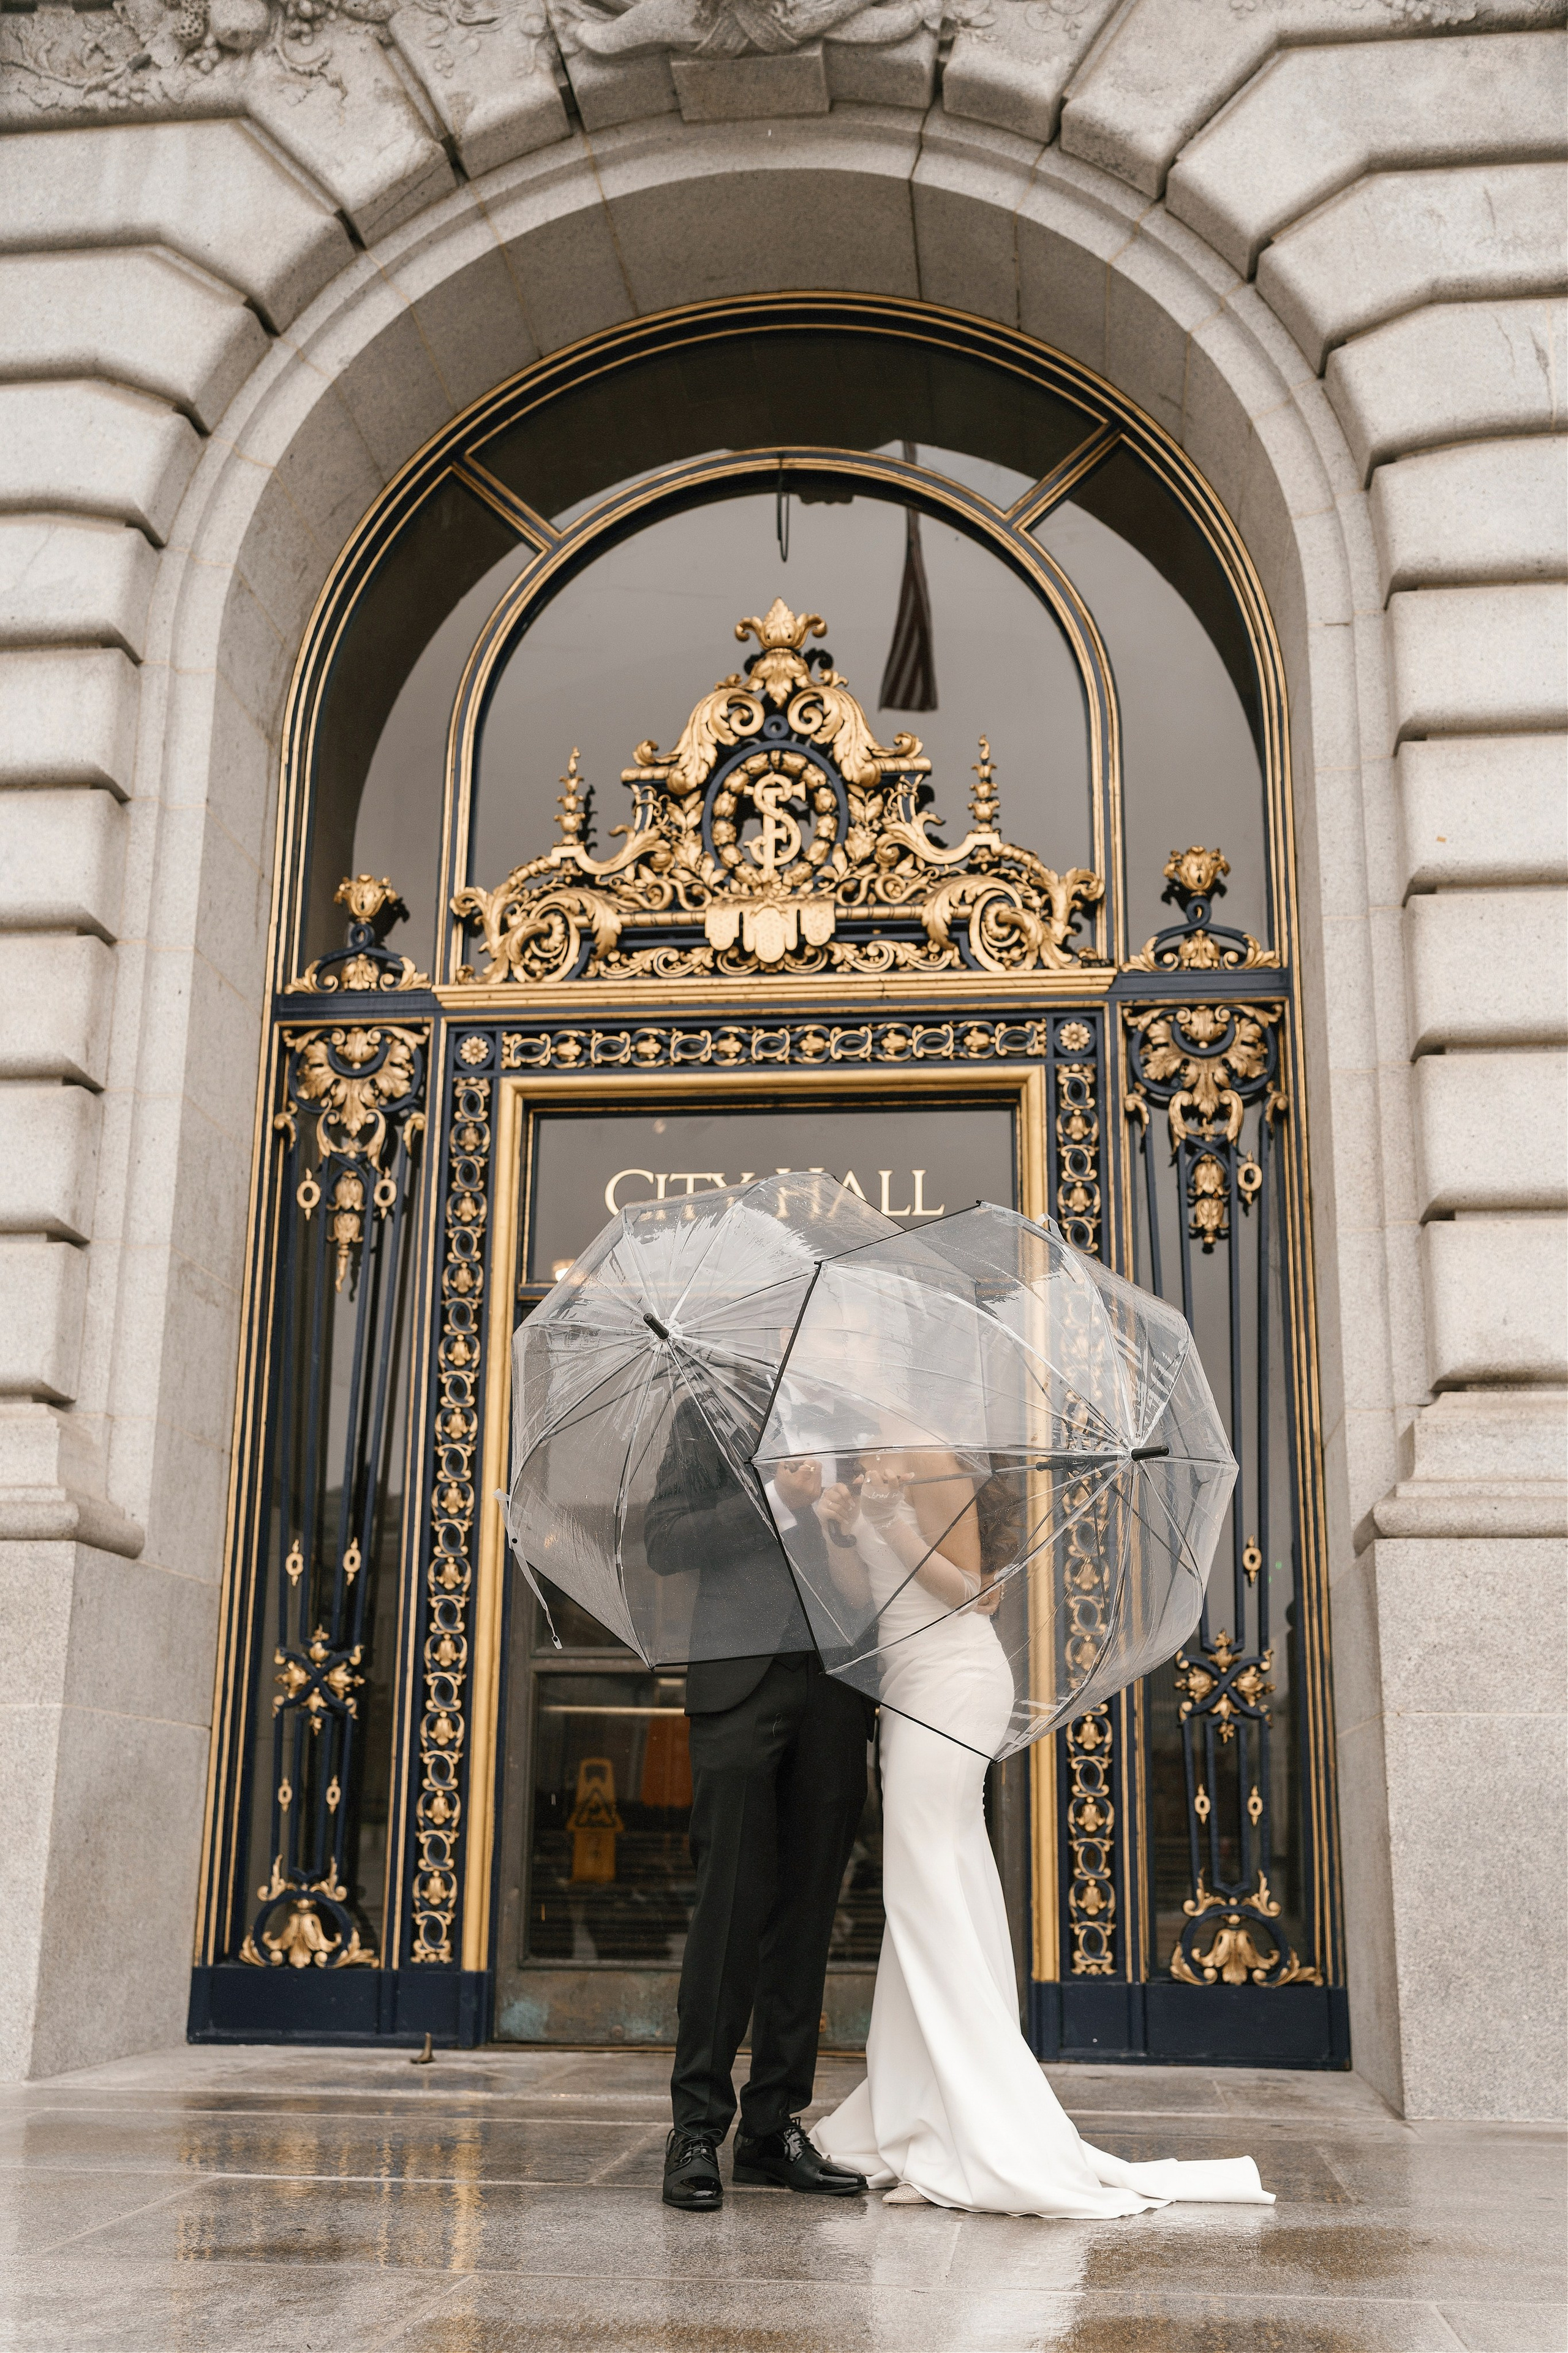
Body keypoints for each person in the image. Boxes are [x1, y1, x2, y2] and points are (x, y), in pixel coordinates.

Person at [808, 1460, 1276, 2219]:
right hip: (905, 1689)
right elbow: (866, 1600)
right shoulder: (868, 1463)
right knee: (933, 1890)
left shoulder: (934, 1459)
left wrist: (891, 1519)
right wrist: (838, 1530)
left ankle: (979, 2108)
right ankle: (914, 2098)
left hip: (949, 1682)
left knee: (926, 1885)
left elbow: (978, 1591)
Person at [643, 1396, 874, 2215]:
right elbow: (665, 1540)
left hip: (840, 1684)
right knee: (729, 1904)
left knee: (810, 1910)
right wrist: (778, 1501)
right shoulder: (708, 1413)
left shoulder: (862, 1417)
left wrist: (846, 1522)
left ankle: (774, 2127)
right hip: (738, 1681)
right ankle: (698, 2127)